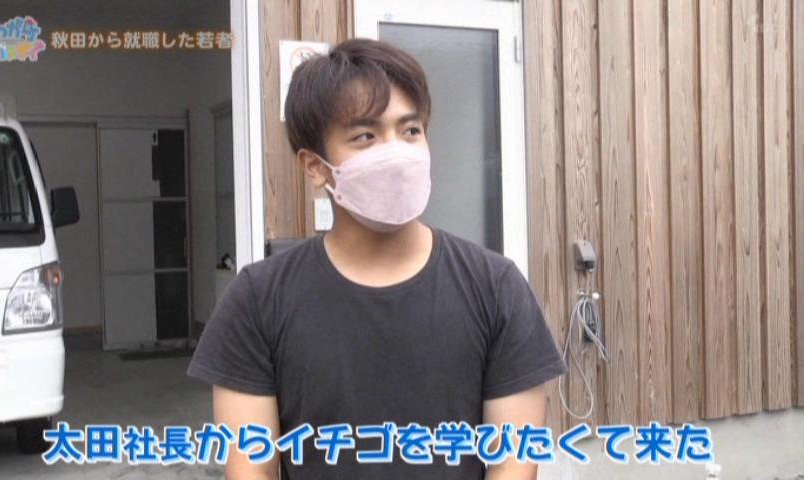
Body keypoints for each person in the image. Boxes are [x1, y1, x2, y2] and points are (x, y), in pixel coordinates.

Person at [187, 38, 566, 479]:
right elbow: (251, 469)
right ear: (315, 166)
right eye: (365, 136)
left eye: (410, 131)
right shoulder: (257, 299)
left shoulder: (496, 287)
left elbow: (513, 463)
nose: (396, 153)